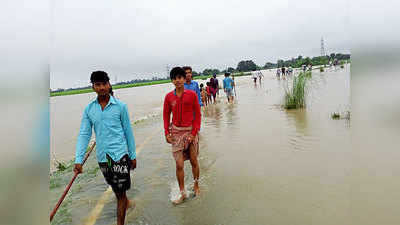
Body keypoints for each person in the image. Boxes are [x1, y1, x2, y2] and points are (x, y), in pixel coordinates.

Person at [74, 71, 136, 225]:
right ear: (93, 87)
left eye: (104, 84)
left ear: (109, 85)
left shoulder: (121, 107)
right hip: (103, 158)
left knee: (120, 193)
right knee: (116, 189)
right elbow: (84, 134)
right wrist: (78, 160)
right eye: (98, 85)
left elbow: (128, 132)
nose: (101, 87)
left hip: (120, 156)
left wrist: (133, 155)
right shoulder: (89, 110)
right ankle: (128, 204)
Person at [163, 67, 201, 205]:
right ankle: (182, 192)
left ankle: (196, 185)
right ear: (172, 80)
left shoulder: (191, 95)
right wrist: (167, 133)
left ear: (184, 79)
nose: (178, 80)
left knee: (193, 161)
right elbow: (166, 116)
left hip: (190, 130)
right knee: (179, 165)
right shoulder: (168, 97)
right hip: (176, 132)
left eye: (180, 78)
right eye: (175, 78)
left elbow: (197, 116)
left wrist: (193, 133)